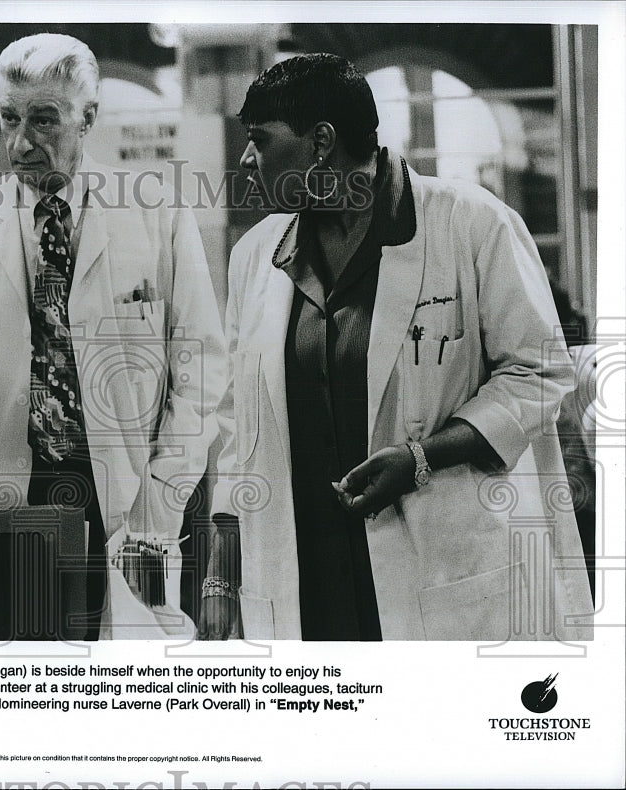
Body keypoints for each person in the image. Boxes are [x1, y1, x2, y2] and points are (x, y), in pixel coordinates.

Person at [200, 54, 594, 641]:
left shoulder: (473, 225)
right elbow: (239, 429)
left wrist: (422, 458)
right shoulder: (256, 253)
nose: (246, 159)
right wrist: (221, 575)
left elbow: (539, 372)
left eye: (259, 140)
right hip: (304, 580)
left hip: (447, 567)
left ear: (322, 143)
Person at [0, 33, 226, 639]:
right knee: (23, 698)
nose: (22, 143)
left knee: (129, 695)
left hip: (127, 499)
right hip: (3, 502)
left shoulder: (156, 214)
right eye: (10, 118)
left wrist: (159, 497)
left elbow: (200, 371)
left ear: (87, 118)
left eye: (44, 120)